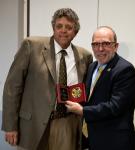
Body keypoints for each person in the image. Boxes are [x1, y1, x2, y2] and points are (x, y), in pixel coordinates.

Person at [2, 8, 93, 150]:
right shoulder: (31, 46)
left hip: (67, 124)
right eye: (59, 26)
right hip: (33, 125)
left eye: (69, 27)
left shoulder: (85, 56)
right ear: (53, 28)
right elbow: (12, 87)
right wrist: (10, 126)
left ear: (75, 32)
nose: (63, 30)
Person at [65, 26, 135, 150]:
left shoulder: (125, 70)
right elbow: (89, 97)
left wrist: (83, 111)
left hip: (115, 142)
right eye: (96, 44)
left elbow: (115, 107)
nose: (100, 49)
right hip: (93, 139)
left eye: (106, 43)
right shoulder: (92, 67)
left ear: (116, 46)